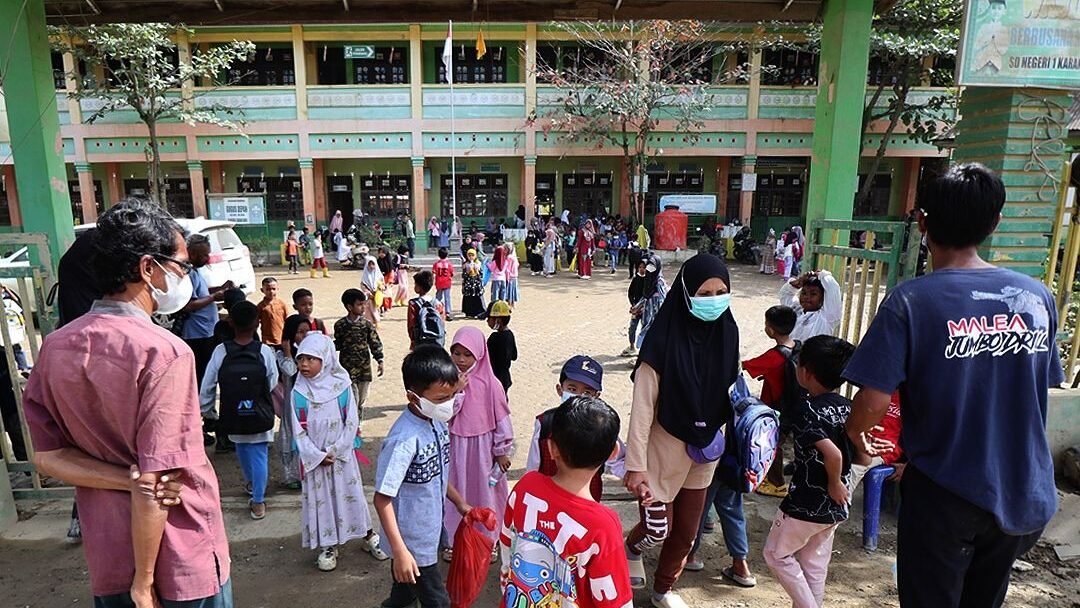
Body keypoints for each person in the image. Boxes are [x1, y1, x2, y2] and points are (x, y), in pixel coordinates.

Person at [843, 163, 1064, 608]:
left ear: (923, 223)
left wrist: (854, 433)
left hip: (945, 492)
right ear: (994, 223)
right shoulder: (1036, 297)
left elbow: (873, 401)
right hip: (1022, 488)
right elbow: (1042, 384)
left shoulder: (911, 301)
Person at [23, 198, 232, 606]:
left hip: (109, 554)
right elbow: (156, 483)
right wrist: (144, 581)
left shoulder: (56, 347)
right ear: (147, 268)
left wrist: (124, 479)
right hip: (177, 557)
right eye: (181, 266)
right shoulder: (164, 352)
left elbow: (47, 457)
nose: (185, 276)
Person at [624, 253, 741, 608]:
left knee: (687, 532)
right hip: (662, 452)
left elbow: (730, 390)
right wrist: (635, 466)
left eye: (720, 292)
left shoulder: (728, 333)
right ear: (687, 294)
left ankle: (663, 589)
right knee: (659, 528)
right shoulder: (661, 342)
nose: (714, 301)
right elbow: (642, 410)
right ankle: (631, 548)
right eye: (704, 294)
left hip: (705, 451)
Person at [500, 396, 634, 608]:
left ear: (551, 447)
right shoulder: (603, 525)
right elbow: (614, 600)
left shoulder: (526, 486)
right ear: (612, 454)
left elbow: (507, 541)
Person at [374, 345, 472, 608]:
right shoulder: (403, 440)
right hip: (412, 542)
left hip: (430, 529)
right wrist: (400, 552)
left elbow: (436, 473)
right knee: (437, 601)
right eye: (441, 399)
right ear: (413, 396)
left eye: (452, 395)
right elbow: (382, 499)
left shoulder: (436, 422)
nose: (448, 404)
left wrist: (459, 502)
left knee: (405, 593)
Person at [763, 335, 856, 608]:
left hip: (807, 501)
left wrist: (834, 482)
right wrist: (839, 484)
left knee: (776, 554)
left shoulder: (807, 410)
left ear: (807, 372)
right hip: (835, 504)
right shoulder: (847, 406)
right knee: (813, 563)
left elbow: (833, 454)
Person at [291, 333, 388, 571]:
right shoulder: (298, 392)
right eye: (300, 358)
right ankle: (328, 544)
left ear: (325, 359)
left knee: (352, 494)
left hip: (342, 459)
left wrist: (336, 450)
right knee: (322, 501)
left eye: (310, 359)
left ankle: (367, 534)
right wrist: (317, 456)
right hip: (316, 462)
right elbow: (297, 431)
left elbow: (351, 422)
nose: (304, 364)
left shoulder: (342, 386)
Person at [200, 301, 278, 520]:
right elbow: (272, 380)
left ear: (231, 323)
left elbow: (208, 385)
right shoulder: (264, 351)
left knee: (242, 447)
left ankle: (253, 485)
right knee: (259, 453)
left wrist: (206, 410)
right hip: (260, 411)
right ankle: (258, 501)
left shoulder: (221, 351)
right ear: (257, 324)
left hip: (233, 412)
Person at [445, 326, 514, 557]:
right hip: (456, 447)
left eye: (468, 354)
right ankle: (454, 539)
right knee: (456, 492)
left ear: (480, 354)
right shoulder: (447, 380)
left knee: (485, 493)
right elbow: (444, 414)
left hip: (483, 450)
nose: (461, 360)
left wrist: (502, 450)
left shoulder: (491, 384)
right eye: (456, 353)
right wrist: (456, 391)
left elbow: (501, 419)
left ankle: (488, 539)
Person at [525, 355, 609, 502]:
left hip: (585, 502)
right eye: (572, 389)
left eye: (587, 393)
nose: (578, 396)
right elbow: (533, 465)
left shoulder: (601, 425)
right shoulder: (545, 423)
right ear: (560, 389)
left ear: (597, 396)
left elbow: (616, 461)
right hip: (548, 501)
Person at [742, 305, 800, 497]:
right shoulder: (798, 347)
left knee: (772, 444)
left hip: (776, 409)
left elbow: (747, 366)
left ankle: (777, 484)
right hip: (792, 407)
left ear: (770, 329)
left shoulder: (774, 356)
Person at [335, 288, 385, 420]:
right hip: (347, 368)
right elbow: (338, 344)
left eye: (364, 304)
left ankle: (358, 415)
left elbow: (374, 342)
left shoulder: (366, 325)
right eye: (360, 304)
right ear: (349, 307)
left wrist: (380, 360)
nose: (363, 307)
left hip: (364, 368)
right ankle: (353, 422)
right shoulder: (340, 325)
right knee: (353, 397)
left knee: (362, 398)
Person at [780, 270, 842, 343]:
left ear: (823, 297)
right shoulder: (795, 309)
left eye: (813, 294)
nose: (807, 297)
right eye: (804, 293)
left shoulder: (826, 317)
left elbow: (833, 288)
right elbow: (785, 294)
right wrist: (798, 282)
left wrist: (821, 274)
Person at [632, 253, 667, 350]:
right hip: (647, 314)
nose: (649, 269)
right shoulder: (649, 281)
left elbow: (663, 299)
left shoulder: (659, 282)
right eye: (648, 266)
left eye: (652, 267)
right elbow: (646, 296)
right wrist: (636, 307)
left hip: (656, 316)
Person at [282, 288, 328, 359]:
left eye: (310, 304)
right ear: (295, 307)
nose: (308, 307)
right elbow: (286, 342)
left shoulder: (318, 323)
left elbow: (326, 342)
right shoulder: (292, 323)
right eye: (303, 305)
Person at [406, 270, 446, 351]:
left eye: (415, 284)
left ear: (419, 287)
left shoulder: (413, 304)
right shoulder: (438, 303)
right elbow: (442, 322)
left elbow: (411, 325)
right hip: (436, 342)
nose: (414, 286)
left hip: (420, 341)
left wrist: (413, 340)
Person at [485, 300, 516, 395]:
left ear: (498, 320)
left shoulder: (494, 338)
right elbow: (514, 356)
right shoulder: (510, 335)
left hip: (493, 378)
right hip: (505, 378)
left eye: (489, 318)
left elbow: (486, 358)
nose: (487, 321)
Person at [621, 260, 647, 357]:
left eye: (643, 267)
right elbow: (630, 293)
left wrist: (644, 306)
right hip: (635, 309)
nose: (642, 269)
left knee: (645, 329)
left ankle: (643, 349)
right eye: (640, 267)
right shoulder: (636, 279)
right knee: (632, 328)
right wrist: (633, 305)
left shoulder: (649, 280)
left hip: (646, 309)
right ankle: (632, 346)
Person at [257, 277, 288, 347]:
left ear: (277, 289)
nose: (271, 291)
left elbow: (287, 321)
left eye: (273, 289)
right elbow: (256, 323)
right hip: (267, 341)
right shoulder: (260, 306)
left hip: (281, 339)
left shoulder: (282, 304)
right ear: (262, 290)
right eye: (268, 289)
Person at [460, 249, 485, 319]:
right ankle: (469, 312)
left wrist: (477, 271)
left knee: (477, 297)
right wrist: (467, 272)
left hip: (476, 284)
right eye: (469, 255)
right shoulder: (465, 264)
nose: (471, 257)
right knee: (468, 298)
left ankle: (479, 312)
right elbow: (463, 276)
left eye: (472, 255)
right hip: (468, 284)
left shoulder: (478, 263)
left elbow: (481, 275)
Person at [433, 247, 455, 320]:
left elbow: (434, 272)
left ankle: (436, 310)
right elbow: (451, 273)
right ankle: (448, 312)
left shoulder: (436, 264)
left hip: (439, 282)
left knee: (438, 297)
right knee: (447, 297)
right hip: (447, 282)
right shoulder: (449, 264)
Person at [504, 242, 520, 308]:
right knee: (513, 290)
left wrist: (506, 276)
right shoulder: (514, 258)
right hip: (514, 276)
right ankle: (513, 303)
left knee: (509, 291)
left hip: (509, 276)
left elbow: (507, 269)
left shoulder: (508, 257)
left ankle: (509, 303)